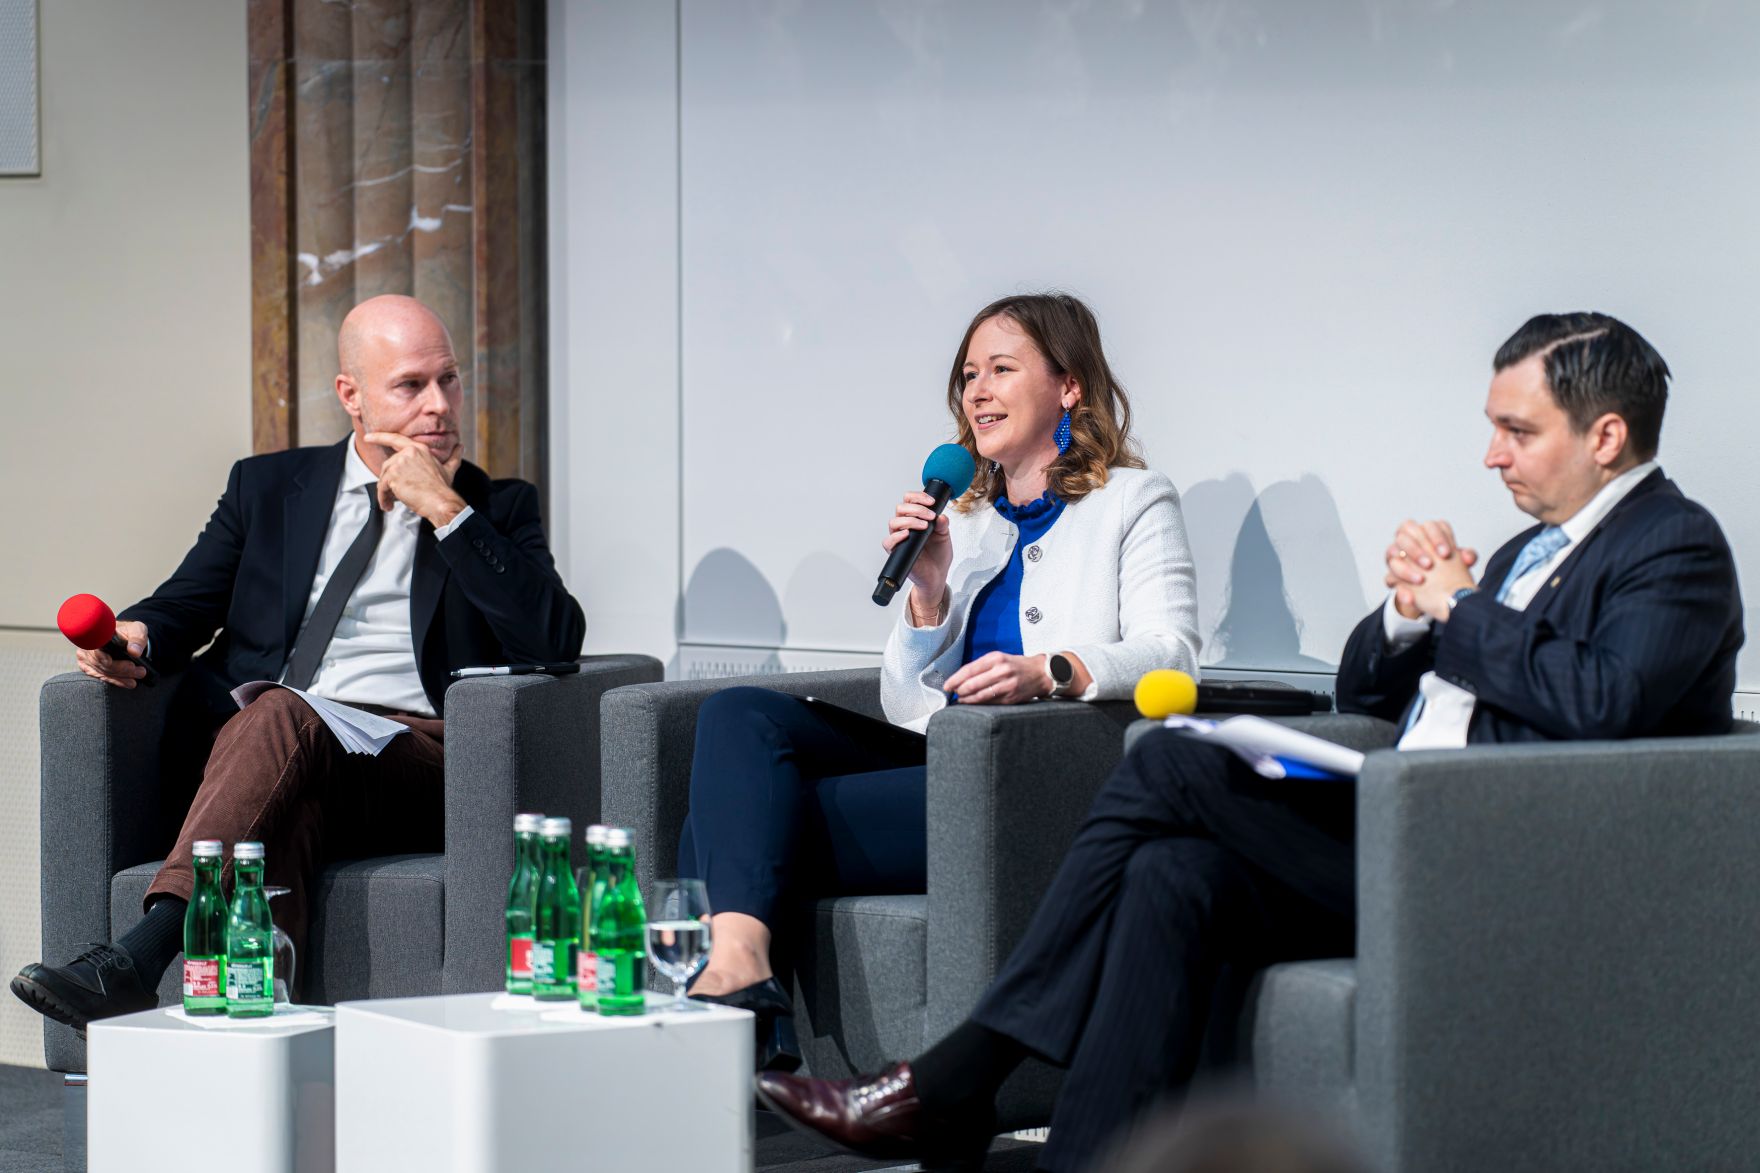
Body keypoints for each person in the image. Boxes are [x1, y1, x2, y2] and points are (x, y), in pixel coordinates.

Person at [754, 312, 1743, 1172]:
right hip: (1403, 823)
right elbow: (1362, 685)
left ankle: (959, 1074)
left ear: (1605, 435)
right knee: (1171, 876)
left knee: (1174, 760)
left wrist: (1461, 609)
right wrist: (1408, 615)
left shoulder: (1673, 547)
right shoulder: (1533, 548)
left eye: (1514, 430)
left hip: (1495, 855)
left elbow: (1604, 706)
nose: (1490, 454)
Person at [12, 294, 586, 1029]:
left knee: (279, 710)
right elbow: (184, 604)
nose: (439, 406)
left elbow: (554, 641)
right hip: (280, 754)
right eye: (411, 386)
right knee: (285, 782)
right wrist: (138, 635)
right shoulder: (267, 488)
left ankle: (140, 953)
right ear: (351, 394)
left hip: (416, 757)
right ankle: (264, 1048)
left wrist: (446, 512)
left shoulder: (495, 508)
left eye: (450, 380)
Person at [676, 292, 1202, 1070]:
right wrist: (928, 593)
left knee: (724, 822)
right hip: (937, 758)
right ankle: (743, 975)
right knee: (737, 716)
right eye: (967, 375)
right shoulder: (970, 518)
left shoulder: (1132, 500)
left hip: (1028, 780)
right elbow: (905, 702)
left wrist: (1050, 670)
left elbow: (1174, 653)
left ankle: (740, 1001)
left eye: (1000, 369)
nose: (976, 391)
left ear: (1069, 386)